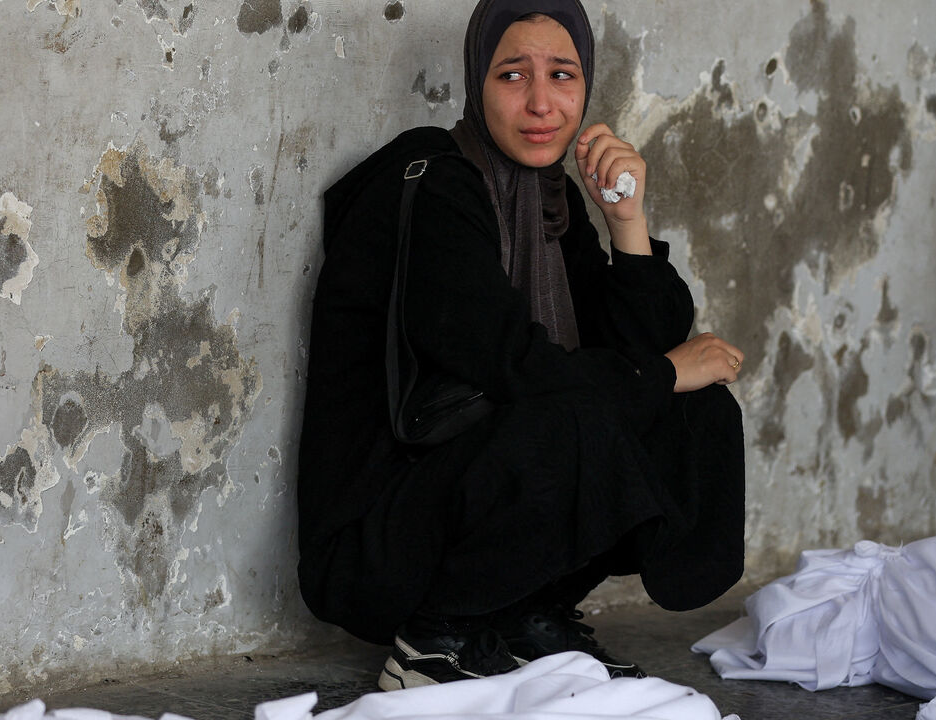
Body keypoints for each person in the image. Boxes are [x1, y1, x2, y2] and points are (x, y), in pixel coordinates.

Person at [298, 0, 747, 691]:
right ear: (478, 83)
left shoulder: (548, 200)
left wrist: (627, 221)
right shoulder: (433, 183)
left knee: (695, 412)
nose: (542, 103)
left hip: (468, 494)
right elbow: (514, 366)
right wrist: (660, 375)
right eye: (512, 76)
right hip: (378, 538)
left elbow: (635, 345)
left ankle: (525, 616)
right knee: (576, 409)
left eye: (562, 75)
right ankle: (433, 636)